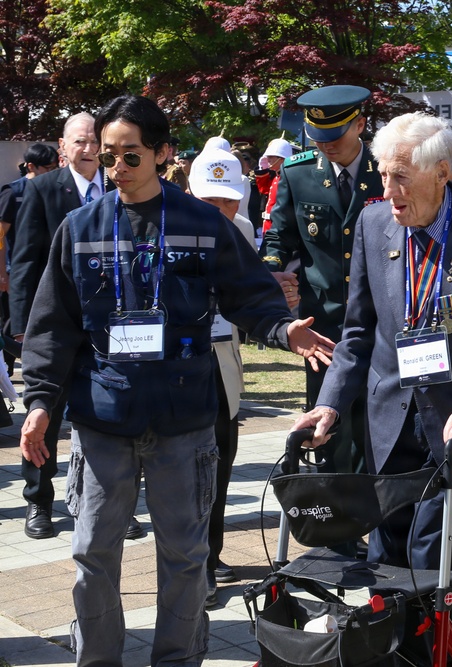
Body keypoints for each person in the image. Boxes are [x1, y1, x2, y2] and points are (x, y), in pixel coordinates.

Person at [19, 94, 335, 666]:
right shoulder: (80, 227)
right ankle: (98, 660)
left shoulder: (202, 224)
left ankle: (177, 659)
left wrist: (285, 330)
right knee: (93, 554)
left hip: (184, 421)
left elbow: (251, 296)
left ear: (164, 154)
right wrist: (40, 402)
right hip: (103, 417)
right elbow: (52, 325)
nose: (116, 168)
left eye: (130, 156)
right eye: (109, 156)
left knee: (186, 557)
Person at [293, 112, 452, 663]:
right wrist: (329, 406)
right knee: (386, 552)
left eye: (401, 177)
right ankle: (411, 654)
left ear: (444, 172)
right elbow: (358, 333)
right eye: (384, 175)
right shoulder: (371, 224)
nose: (388, 191)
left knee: (432, 555)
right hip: (388, 422)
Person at [11, 115, 146, 541]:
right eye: (79, 142)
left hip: (113, 328)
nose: (88, 150)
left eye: (95, 143)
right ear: (62, 146)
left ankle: (115, 505)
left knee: (109, 416)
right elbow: (26, 260)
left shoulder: (122, 186)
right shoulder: (42, 189)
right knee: (44, 415)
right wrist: (22, 325)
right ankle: (38, 500)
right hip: (59, 323)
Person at [260, 86, 384, 480]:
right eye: (318, 138)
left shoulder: (384, 170)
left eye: (335, 136)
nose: (326, 146)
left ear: (360, 125)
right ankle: (340, 534)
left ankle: (379, 522)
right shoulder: (298, 174)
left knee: (378, 421)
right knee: (327, 425)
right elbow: (279, 237)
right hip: (324, 325)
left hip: (383, 317)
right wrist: (274, 271)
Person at [188, 147, 257, 604]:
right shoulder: (164, 227)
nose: (219, 211)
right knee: (184, 474)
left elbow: (250, 302)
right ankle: (191, 567)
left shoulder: (242, 231)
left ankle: (210, 558)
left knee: (221, 467)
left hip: (223, 366)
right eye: (209, 201)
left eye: (227, 201)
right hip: (178, 367)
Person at [0, 143, 60, 372]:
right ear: (30, 166)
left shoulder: (55, 191)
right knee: (11, 326)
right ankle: (5, 372)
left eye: (55, 167)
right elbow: (0, 234)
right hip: (16, 271)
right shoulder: (13, 192)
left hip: (45, 271)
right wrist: (2, 272)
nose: (52, 172)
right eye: (48, 168)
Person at [255, 137, 294, 235]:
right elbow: (264, 189)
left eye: (272, 156)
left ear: (282, 158)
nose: (268, 159)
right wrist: (263, 169)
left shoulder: (289, 178)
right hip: (269, 225)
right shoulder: (277, 177)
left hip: (277, 226)